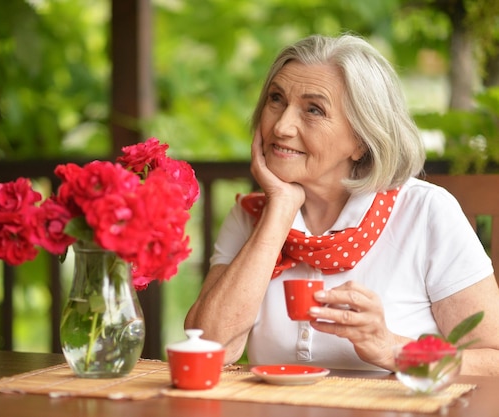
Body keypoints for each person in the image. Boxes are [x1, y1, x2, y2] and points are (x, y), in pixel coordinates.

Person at [184, 33, 499, 375]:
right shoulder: (251, 216)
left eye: (314, 109)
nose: (282, 126)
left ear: (362, 141)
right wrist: (279, 211)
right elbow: (210, 348)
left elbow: (493, 358)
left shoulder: (425, 213)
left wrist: (392, 348)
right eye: (276, 99)